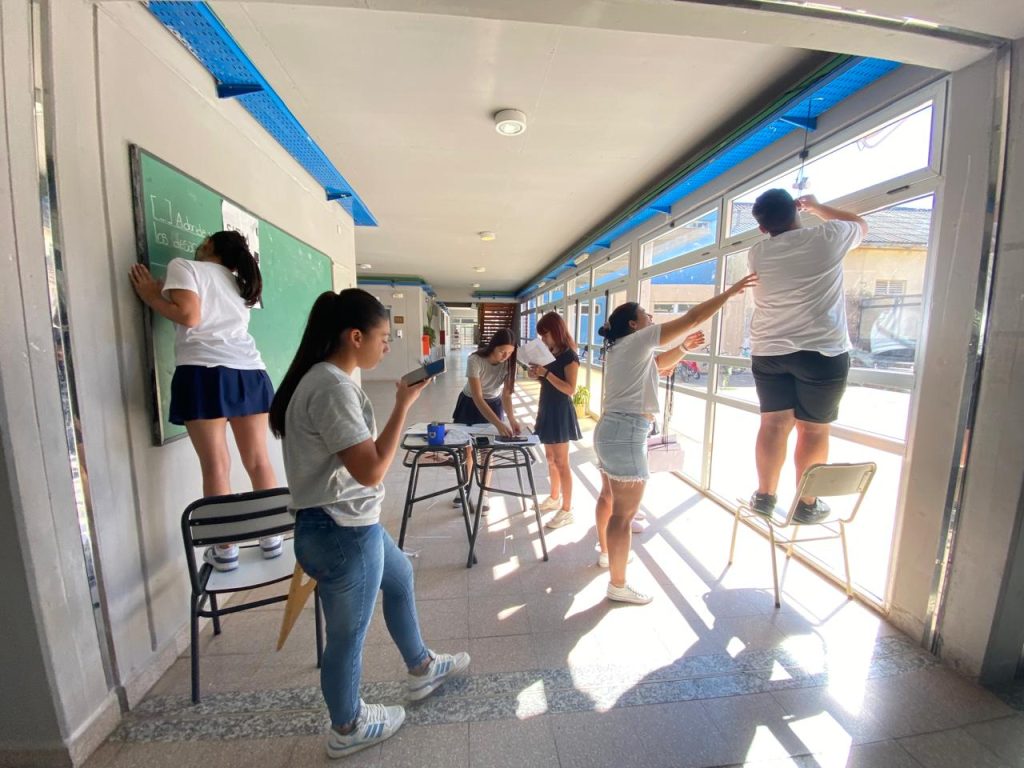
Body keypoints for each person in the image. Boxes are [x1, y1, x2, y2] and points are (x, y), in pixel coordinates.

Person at [268, 288, 470, 758]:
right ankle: (348, 726)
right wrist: (403, 406)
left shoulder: (324, 378)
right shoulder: (332, 387)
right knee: (347, 638)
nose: (387, 344)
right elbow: (372, 469)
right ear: (355, 336)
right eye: (383, 337)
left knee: (399, 577)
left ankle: (421, 668)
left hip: (345, 523)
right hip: (341, 532)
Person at [595, 276, 757, 605]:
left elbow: (657, 365)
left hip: (611, 429)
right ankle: (618, 584)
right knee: (623, 515)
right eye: (646, 314)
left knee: (611, 500)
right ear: (634, 324)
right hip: (626, 432)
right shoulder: (639, 339)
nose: (651, 318)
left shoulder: (621, 348)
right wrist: (728, 293)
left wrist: (683, 349)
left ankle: (609, 556)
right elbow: (692, 317)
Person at [129, 230, 281, 572]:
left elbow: (190, 316)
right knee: (259, 460)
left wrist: (151, 295)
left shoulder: (185, 266)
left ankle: (225, 550)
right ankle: (271, 538)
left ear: (209, 245)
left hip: (204, 371)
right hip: (249, 372)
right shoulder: (238, 282)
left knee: (215, 464)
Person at [746, 190, 867, 523]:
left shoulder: (758, 252)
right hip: (821, 351)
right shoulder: (828, 236)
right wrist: (817, 207)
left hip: (769, 349)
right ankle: (806, 503)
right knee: (813, 430)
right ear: (796, 212)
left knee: (772, 424)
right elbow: (860, 224)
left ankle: (765, 497)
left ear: (762, 228)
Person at [450, 328, 519, 512]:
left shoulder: (509, 364)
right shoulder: (475, 360)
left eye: (510, 352)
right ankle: (464, 487)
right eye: (502, 351)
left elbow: (506, 395)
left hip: (493, 404)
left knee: (487, 451)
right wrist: (498, 423)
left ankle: (484, 493)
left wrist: (511, 419)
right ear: (493, 346)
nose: (506, 356)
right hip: (470, 403)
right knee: (467, 449)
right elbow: (478, 398)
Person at [528, 312, 582, 529]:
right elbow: (548, 383)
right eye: (541, 336)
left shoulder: (570, 356)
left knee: (562, 462)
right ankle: (554, 497)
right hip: (547, 407)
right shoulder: (549, 354)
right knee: (550, 459)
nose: (543, 339)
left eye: (546, 335)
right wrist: (537, 375)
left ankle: (567, 510)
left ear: (557, 332)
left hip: (560, 411)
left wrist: (546, 374)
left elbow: (570, 389)